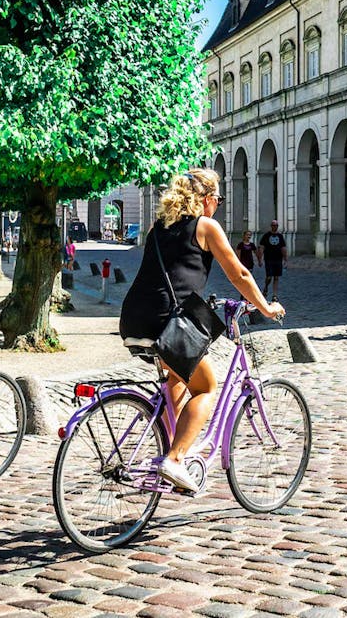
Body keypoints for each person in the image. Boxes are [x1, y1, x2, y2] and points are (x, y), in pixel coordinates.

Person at [118, 169, 284, 493]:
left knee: (177, 381)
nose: (217, 206)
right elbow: (239, 274)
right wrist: (266, 307)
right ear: (207, 199)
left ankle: (174, 451)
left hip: (133, 319)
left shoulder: (157, 227)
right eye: (218, 200)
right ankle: (176, 459)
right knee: (207, 386)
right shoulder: (205, 226)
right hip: (168, 324)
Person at [260, 220, 288, 300]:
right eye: (273, 225)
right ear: (271, 226)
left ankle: (274, 295)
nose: (275, 227)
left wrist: (285, 259)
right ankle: (266, 287)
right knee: (269, 277)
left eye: (276, 225)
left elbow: (283, 248)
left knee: (276, 277)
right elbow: (262, 247)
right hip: (268, 258)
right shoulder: (266, 236)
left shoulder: (280, 236)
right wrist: (260, 259)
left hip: (278, 259)